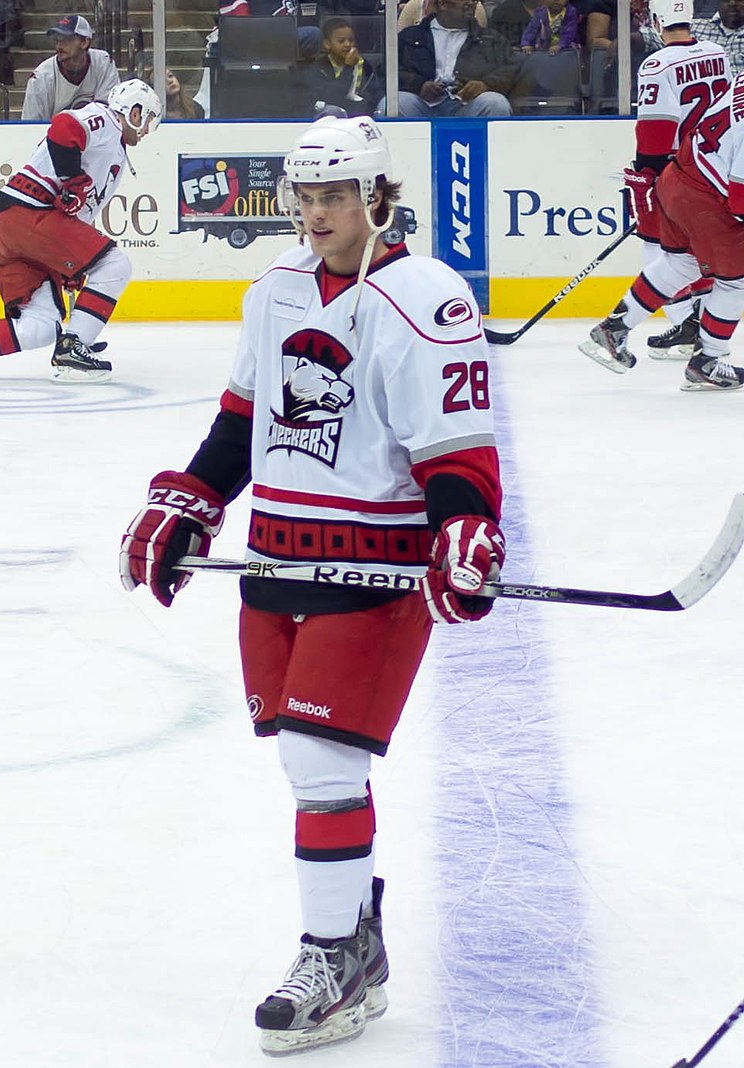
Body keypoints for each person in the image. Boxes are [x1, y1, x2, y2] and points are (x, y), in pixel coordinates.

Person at [118, 114, 505, 1055]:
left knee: (323, 765)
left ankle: (332, 956)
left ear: (377, 197)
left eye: (335, 195)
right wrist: (195, 500)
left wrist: (464, 525)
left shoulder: (429, 297)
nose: (316, 213)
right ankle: (358, 946)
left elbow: (457, 447)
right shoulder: (276, 289)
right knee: (306, 765)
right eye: (305, 196)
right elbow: (244, 417)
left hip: (371, 567)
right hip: (274, 559)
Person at [0, 79, 161, 387]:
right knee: (115, 265)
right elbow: (64, 127)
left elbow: (77, 214)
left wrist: (68, 266)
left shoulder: (113, 149)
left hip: (11, 229)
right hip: (30, 215)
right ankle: (73, 346)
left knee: (40, 327)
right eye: (149, 119)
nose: (148, 128)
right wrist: (73, 180)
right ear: (135, 113)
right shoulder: (107, 120)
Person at [581, 0, 731, 367]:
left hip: (676, 169)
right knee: (694, 258)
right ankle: (691, 330)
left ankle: (680, 327)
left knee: (666, 250)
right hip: (715, 167)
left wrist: (647, 176)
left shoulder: (656, 64)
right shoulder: (717, 52)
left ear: (656, 19)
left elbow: (654, 133)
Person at [383, 0, 523, 117]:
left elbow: (510, 69)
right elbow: (386, 72)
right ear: (443, 4)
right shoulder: (410, 37)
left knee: (495, 103)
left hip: (468, 105)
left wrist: (486, 84)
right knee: (392, 104)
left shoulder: (491, 39)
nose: (473, 2)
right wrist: (418, 85)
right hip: (421, 105)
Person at [21, 14, 120, 121]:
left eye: (66, 40)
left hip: (97, 135)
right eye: (57, 41)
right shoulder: (41, 77)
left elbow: (110, 116)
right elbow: (31, 126)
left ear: (84, 42)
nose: (59, 46)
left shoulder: (103, 63)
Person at [303, 16, 381, 116]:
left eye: (351, 40)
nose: (348, 44)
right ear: (327, 44)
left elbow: (375, 95)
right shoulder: (317, 69)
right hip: (331, 118)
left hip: (363, 116)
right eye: (341, 41)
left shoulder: (365, 66)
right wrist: (348, 68)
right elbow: (331, 98)